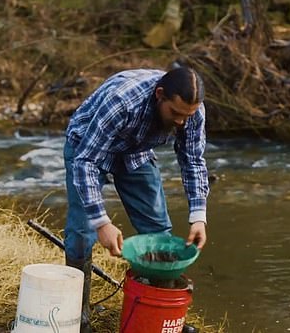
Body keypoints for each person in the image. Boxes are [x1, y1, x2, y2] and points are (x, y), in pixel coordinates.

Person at [63, 67, 210, 332]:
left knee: (159, 233)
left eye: (186, 116)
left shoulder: (192, 112)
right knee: (82, 232)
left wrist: (198, 216)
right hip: (87, 145)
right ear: (159, 95)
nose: (180, 122)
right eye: (174, 113)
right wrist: (101, 222)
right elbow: (86, 162)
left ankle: (158, 316)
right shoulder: (122, 102)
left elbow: (193, 160)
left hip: (136, 150)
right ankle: (78, 317)